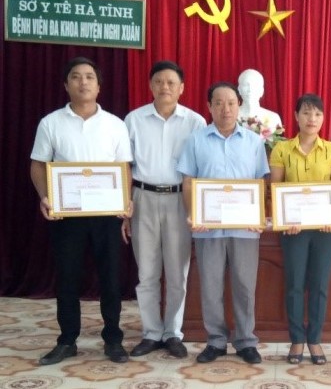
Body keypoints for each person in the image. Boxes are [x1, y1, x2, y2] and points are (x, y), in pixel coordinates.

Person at [29, 57, 133, 365]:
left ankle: (113, 339)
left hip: (107, 215)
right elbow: (38, 165)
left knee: (111, 278)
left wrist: (125, 203)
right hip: (68, 213)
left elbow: (124, 168)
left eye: (89, 77)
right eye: (76, 77)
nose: (83, 82)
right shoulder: (51, 123)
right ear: (66, 84)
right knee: (67, 278)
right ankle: (67, 340)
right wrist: (45, 197)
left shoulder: (115, 124)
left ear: (99, 86)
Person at [177, 82, 270, 364]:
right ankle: (216, 341)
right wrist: (193, 214)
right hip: (208, 229)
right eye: (218, 103)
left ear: (238, 105)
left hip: (245, 229)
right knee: (211, 286)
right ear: (209, 106)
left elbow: (261, 182)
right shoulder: (196, 140)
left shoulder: (254, 142)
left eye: (231, 102)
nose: (225, 108)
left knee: (244, 286)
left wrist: (259, 215)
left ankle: (245, 341)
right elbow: (188, 181)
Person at [122, 61, 206, 358]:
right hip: (142, 198)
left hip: (179, 200)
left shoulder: (195, 122)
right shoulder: (133, 119)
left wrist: (197, 209)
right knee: (147, 271)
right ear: (151, 85)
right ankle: (151, 332)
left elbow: (201, 168)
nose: (165, 87)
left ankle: (173, 333)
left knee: (177, 272)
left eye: (171, 82)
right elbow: (124, 166)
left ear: (182, 88)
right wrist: (125, 205)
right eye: (159, 81)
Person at [269, 94, 331, 365]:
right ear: (296, 116)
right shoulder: (281, 149)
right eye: (306, 113)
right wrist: (283, 218)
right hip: (293, 230)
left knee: (320, 284)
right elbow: (275, 189)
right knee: (295, 284)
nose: (312, 119)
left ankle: (315, 339)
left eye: (317, 114)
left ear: (323, 118)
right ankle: (297, 339)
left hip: (325, 230)